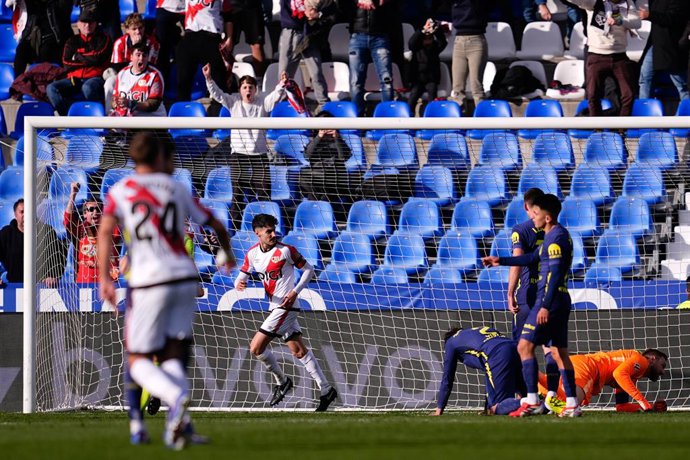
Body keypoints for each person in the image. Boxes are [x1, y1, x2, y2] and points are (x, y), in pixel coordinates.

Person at [98, 132, 235, 448]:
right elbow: (215, 223)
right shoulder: (176, 188)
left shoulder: (122, 190)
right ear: (160, 157)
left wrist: (105, 278)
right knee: (174, 352)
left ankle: (176, 397)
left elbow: (106, 232)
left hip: (148, 281)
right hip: (185, 279)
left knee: (137, 360)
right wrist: (226, 252)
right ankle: (179, 425)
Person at [482, 193, 582, 417]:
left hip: (549, 300)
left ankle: (532, 400)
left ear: (546, 217)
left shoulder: (556, 238)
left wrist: (545, 305)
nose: (533, 218)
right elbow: (530, 259)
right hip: (559, 300)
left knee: (524, 347)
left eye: (536, 213)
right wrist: (501, 260)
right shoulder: (552, 236)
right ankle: (572, 404)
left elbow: (555, 274)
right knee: (558, 353)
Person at [234, 213, 338, 411]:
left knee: (256, 347)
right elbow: (241, 276)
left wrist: (295, 291)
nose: (273, 234)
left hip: (286, 306)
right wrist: (239, 282)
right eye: (268, 231)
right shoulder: (252, 254)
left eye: (274, 230)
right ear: (257, 233)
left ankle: (282, 382)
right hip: (274, 307)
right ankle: (326, 389)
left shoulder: (286, 251)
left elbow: (309, 270)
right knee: (298, 350)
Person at [202, 64, 286, 229]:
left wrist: (282, 84)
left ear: (256, 90)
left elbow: (275, 96)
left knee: (263, 193)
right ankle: (234, 229)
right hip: (239, 155)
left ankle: (266, 228)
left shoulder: (263, 102)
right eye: (245, 87)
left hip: (259, 155)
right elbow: (217, 95)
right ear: (240, 90)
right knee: (238, 195)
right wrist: (208, 79)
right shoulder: (233, 102)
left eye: (251, 87)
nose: (248, 90)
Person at [506, 188, 562, 413]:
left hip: (528, 297)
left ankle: (527, 397)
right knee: (551, 349)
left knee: (523, 348)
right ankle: (551, 396)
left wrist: (510, 292)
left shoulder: (521, 230)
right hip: (552, 295)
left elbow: (518, 261)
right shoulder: (556, 231)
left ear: (527, 207)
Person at [537, 349, 668, 413]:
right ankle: (548, 403)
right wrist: (645, 404)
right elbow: (619, 374)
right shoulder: (641, 360)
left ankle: (532, 376)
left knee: (547, 399)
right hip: (588, 367)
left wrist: (650, 407)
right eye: (662, 366)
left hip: (580, 364)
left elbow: (621, 407)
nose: (662, 372)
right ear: (652, 359)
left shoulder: (631, 376)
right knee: (571, 405)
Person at [569, 0, 640, 117]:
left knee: (629, 94)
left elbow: (637, 23)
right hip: (596, 55)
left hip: (620, 56)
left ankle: (622, 129)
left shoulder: (627, 3)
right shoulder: (594, 2)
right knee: (592, 94)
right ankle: (597, 129)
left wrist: (620, 21)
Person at [434, 326, 524, 416]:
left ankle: (531, 403)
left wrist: (439, 409)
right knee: (525, 393)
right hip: (516, 348)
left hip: (497, 354)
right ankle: (529, 400)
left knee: (497, 407)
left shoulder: (450, 342)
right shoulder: (476, 331)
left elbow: (447, 378)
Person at [46, 9, 112, 116]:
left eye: (90, 22)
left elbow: (98, 58)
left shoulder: (104, 39)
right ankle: (69, 118)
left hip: (95, 78)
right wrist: (89, 59)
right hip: (74, 79)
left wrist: (77, 56)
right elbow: (66, 63)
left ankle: (96, 119)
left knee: (88, 87)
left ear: (95, 24)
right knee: (51, 88)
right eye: (84, 22)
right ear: (78, 24)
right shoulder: (72, 41)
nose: (87, 25)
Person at [342, 0, 400, 115]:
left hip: (380, 36)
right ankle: (357, 118)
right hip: (357, 35)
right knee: (356, 81)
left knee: (386, 79)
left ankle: (387, 117)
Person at [176, 0, 231, 114]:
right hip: (191, 35)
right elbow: (180, 13)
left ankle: (224, 112)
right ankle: (182, 114)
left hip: (211, 36)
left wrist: (229, 37)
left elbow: (228, 15)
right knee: (184, 78)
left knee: (219, 78)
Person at [278, 0, 334, 109]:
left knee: (316, 72)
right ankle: (282, 105)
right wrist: (305, 11)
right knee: (284, 74)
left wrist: (318, 14)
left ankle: (324, 105)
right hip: (291, 32)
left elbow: (330, 5)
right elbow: (288, 7)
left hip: (310, 34)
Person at [0, 198, 66, 287]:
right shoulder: (6, 233)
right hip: (14, 285)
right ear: (15, 215)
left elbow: (58, 257)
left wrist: (53, 276)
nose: (26, 215)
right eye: (22, 212)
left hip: (43, 286)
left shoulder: (46, 231)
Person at [64, 183, 121, 283]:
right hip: (84, 286)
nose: (95, 212)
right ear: (85, 214)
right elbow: (67, 221)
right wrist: (73, 194)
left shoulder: (110, 230)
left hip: (108, 285)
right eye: (91, 209)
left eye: (98, 209)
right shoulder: (80, 230)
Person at [104, 13, 160, 110]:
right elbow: (118, 68)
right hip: (123, 76)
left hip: (145, 75)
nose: (138, 32)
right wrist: (133, 50)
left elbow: (149, 67)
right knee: (109, 82)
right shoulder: (120, 43)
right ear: (127, 30)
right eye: (134, 29)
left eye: (140, 28)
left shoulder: (152, 43)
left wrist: (138, 47)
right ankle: (110, 114)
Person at [638, 0, 690, 101]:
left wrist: (650, 15)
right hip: (655, 44)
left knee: (680, 83)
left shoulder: (681, 2)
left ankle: (686, 109)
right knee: (645, 78)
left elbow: (674, 18)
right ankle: (643, 109)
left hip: (670, 47)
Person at [298, 111, 353, 202]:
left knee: (322, 198)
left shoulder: (339, 141)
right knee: (305, 181)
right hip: (317, 179)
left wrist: (336, 138)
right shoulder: (314, 142)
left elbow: (343, 157)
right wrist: (318, 137)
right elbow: (307, 156)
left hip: (334, 178)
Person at [10, 0, 73, 75]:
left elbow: (64, 9)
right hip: (34, 37)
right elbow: (12, 4)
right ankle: (17, 83)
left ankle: (42, 82)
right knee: (21, 50)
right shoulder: (32, 3)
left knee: (45, 51)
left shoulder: (59, 3)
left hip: (55, 39)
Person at [447, 0, 490, 109]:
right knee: (457, 88)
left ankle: (481, 121)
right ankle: (457, 120)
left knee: (477, 87)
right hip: (459, 40)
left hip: (476, 40)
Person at [109, 42, 167, 117]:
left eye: (144, 55)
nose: (141, 58)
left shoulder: (155, 75)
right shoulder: (122, 73)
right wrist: (115, 103)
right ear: (131, 57)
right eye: (138, 55)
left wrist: (130, 103)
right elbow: (115, 97)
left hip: (151, 120)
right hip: (128, 119)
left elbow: (153, 104)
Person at [407, 18, 447, 115]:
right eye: (425, 39)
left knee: (432, 95)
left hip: (431, 79)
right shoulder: (416, 48)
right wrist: (422, 30)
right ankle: (408, 115)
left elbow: (443, 42)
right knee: (413, 96)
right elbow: (411, 42)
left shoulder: (435, 48)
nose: (428, 41)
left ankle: (430, 115)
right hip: (418, 80)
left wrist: (437, 30)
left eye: (430, 38)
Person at [227, 0, 268, 76]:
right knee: (226, 46)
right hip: (231, 6)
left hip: (252, 6)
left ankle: (259, 81)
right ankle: (225, 80)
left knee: (257, 45)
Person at [154, 0, 185, 82]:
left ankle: (204, 82)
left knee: (192, 47)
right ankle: (162, 83)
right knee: (162, 49)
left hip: (188, 8)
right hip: (165, 6)